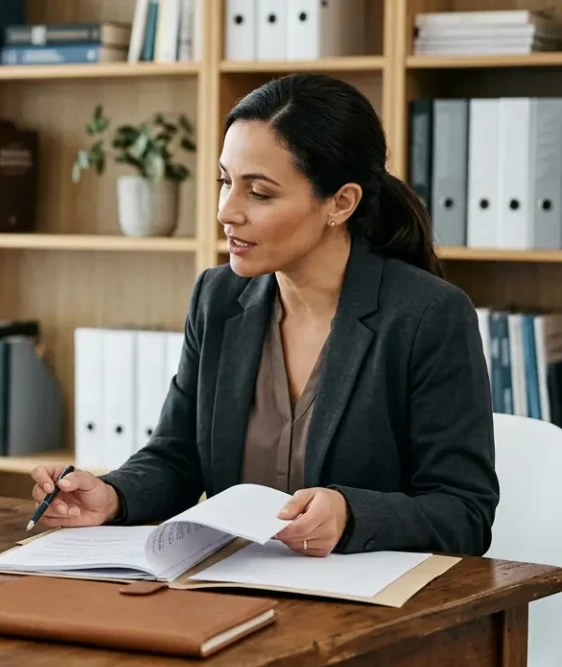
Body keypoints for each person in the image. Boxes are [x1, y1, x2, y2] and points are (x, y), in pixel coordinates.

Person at [29, 73, 498, 557]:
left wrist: (350, 514)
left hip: (369, 611)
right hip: (236, 590)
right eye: (225, 182)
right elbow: (177, 457)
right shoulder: (218, 297)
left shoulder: (429, 315)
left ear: (341, 202)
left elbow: (465, 512)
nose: (226, 212)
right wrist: (112, 495)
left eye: (259, 193)